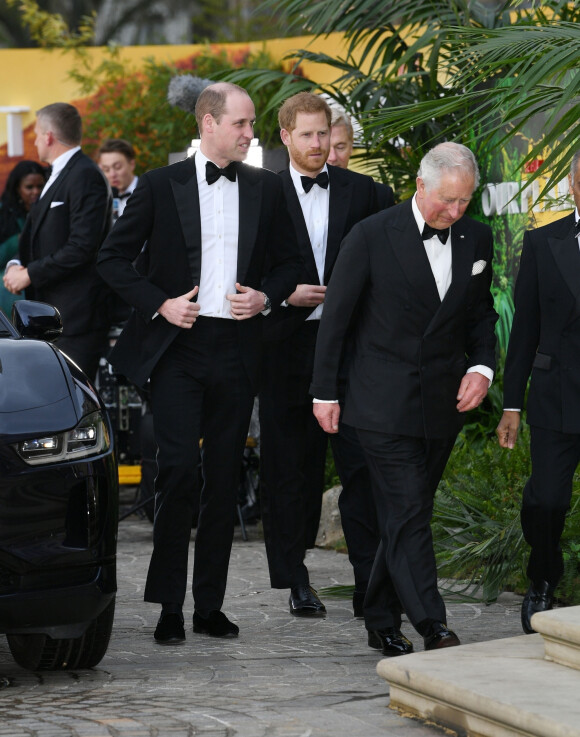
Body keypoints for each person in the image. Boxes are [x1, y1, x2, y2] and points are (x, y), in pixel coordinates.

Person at [97, 82, 301, 645]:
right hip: (177, 350)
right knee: (179, 469)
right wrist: (160, 303)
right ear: (209, 123)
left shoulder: (265, 186)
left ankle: (209, 605)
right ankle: (168, 604)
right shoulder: (160, 186)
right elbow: (111, 259)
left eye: (252, 123)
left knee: (224, 477)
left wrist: (265, 296)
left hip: (237, 348)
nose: (249, 132)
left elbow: (291, 263)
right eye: (241, 123)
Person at [311, 142, 498, 655]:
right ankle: (432, 623)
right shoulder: (372, 235)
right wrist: (324, 393)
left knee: (403, 514)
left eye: (464, 202)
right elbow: (337, 321)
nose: (455, 212)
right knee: (410, 511)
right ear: (420, 185)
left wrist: (482, 368)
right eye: (447, 200)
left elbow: (481, 316)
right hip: (380, 404)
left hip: (442, 405)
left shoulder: (476, 238)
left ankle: (379, 618)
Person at [259, 91, 378, 618]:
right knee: (291, 469)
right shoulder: (259, 194)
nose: (317, 144)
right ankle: (295, 578)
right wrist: (282, 294)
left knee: (361, 465)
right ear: (285, 137)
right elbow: (238, 264)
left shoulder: (367, 192)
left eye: (323, 133)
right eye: (305, 134)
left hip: (352, 351)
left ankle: (368, 582)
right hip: (285, 348)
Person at [496, 150, 580, 634]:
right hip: (555, 396)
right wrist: (512, 403)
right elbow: (524, 328)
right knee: (548, 501)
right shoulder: (543, 242)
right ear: (572, 186)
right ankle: (542, 580)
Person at [3, 103, 112, 381]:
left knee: (69, 408)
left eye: (38, 134)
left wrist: (30, 273)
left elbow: (82, 247)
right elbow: (39, 236)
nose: (36, 141)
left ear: (49, 136)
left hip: (75, 321)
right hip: (48, 317)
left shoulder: (85, 175)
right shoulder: (58, 174)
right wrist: (17, 263)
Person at [0, 160, 47, 315]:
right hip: (8, 283)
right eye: (29, 187)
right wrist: (18, 241)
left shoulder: (50, 210)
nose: (35, 191)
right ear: (17, 188)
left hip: (42, 277)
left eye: (40, 186)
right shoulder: (3, 213)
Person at [328, 111, 395, 210]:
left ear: (351, 147)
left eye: (340, 147)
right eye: (325, 148)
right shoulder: (297, 193)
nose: (332, 157)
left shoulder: (378, 197)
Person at [96, 138, 138, 220]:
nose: (112, 174)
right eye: (106, 169)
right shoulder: (104, 198)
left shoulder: (148, 192)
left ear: (132, 164)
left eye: (117, 167)